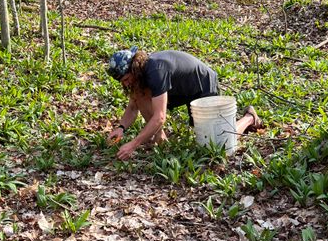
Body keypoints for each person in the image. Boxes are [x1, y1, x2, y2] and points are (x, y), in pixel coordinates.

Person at [106, 47, 262, 161]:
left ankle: (249, 118)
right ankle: (160, 139)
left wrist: (133, 144)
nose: (126, 84)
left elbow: (160, 117)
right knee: (140, 96)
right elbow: (133, 107)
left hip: (202, 85)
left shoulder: (155, 72)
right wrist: (121, 128)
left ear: (134, 69)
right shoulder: (139, 77)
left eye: (126, 79)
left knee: (215, 145)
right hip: (179, 89)